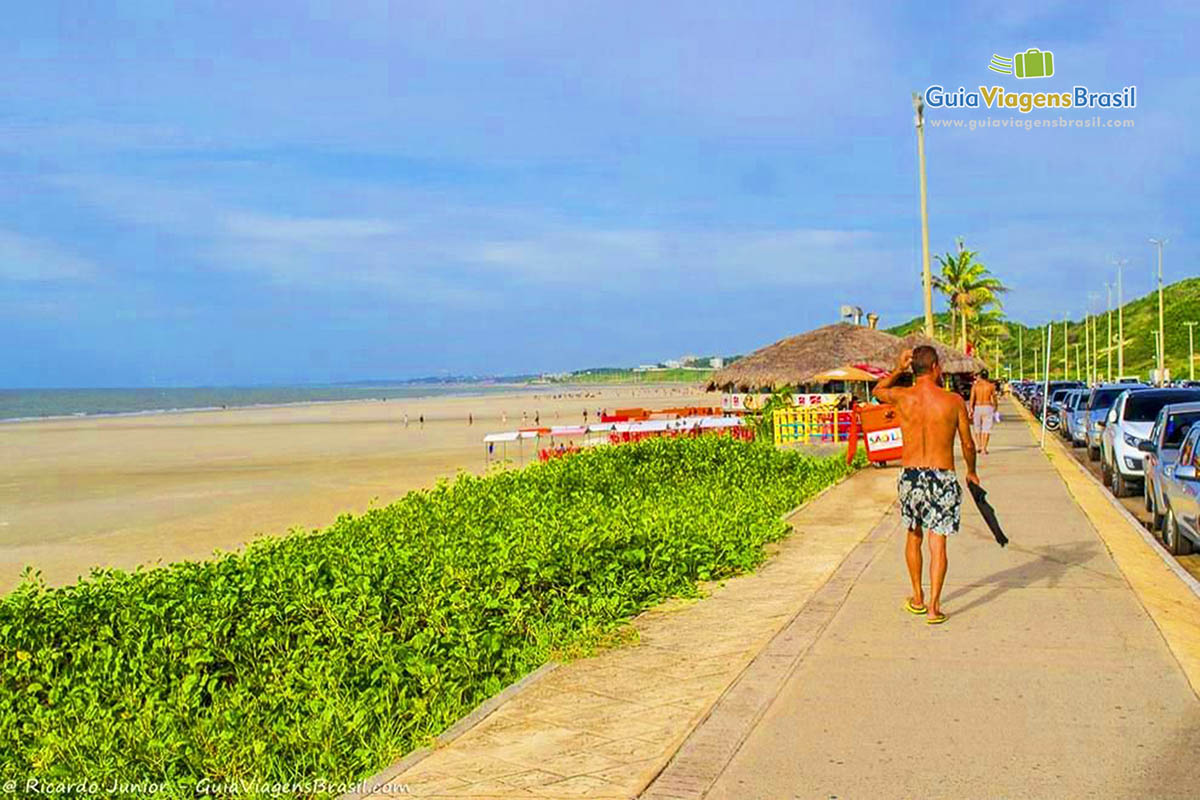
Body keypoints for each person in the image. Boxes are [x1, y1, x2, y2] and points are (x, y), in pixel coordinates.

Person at [873, 346, 980, 625]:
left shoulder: (902, 397)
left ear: (914, 368)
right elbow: (968, 443)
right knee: (938, 542)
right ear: (935, 367)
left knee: (913, 534)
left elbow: (877, 390)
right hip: (941, 475)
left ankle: (918, 597)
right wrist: (972, 471)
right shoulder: (953, 401)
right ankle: (934, 608)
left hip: (911, 475)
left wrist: (897, 369)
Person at [968, 369, 998, 455]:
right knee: (986, 428)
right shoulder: (991, 386)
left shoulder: (975, 386)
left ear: (980, 376)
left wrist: (970, 409)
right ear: (987, 376)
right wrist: (996, 406)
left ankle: (979, 446)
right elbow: (994, 398)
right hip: (987, 407)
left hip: (977, 407)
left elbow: (972, 398)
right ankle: (984, 449)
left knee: (977, 427)